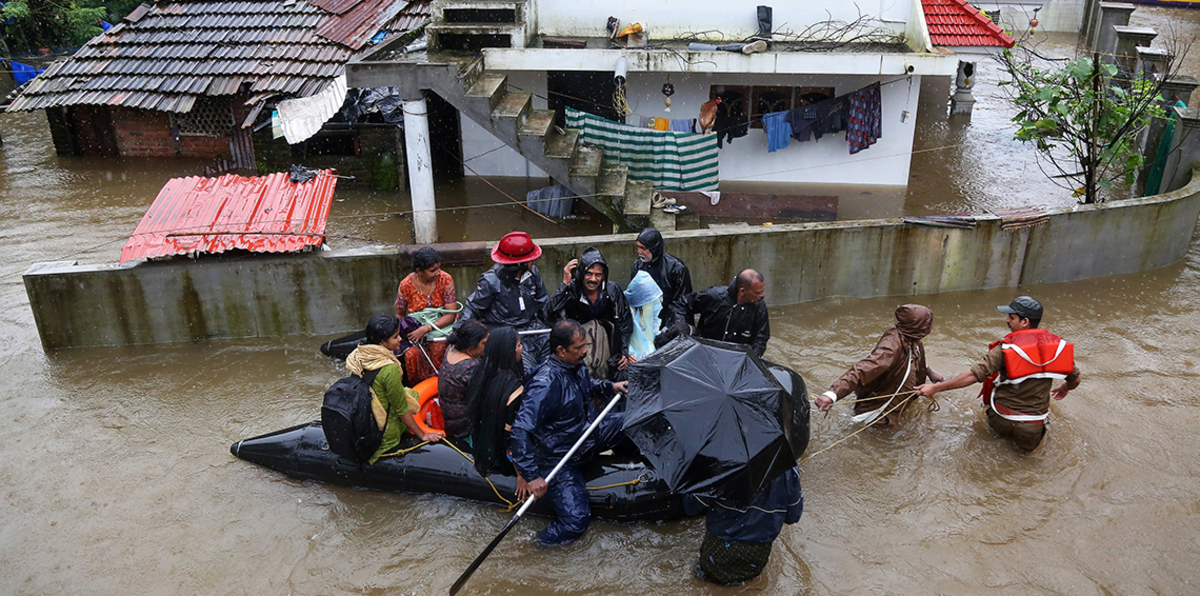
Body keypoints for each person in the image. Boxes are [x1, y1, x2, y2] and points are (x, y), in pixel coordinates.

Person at [509, 320, 629, 546]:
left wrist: (609, 387)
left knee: (630, 421)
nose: (585, 351)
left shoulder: (576, 365)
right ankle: (534, 546)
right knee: (576, 521)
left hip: (588, 434)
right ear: (561, 351)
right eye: (579, 348)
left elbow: (586, 385)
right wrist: (532, 475)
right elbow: (520, 430)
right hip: (561, 457)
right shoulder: (544, 384)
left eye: (585, 345)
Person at [916, 296, 1081, 452]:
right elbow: (1075, 380)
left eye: (1011, 317)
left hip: (1001, 418)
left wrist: (936, 388)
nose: (1007, 320)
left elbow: (973, 376)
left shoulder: (1005, 349)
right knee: (1023, 463)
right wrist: (1065, 388)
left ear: (1025, 322)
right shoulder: (1057, 349)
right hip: (1031, 426)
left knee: (992, 448)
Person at [814, 305, 945, 426]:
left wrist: (928, 372)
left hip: (899, 406)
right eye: (927, 325)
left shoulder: (911, 337)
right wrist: (832, 394)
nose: (930, 328)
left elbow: (913, 357)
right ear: (915, 325)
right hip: (881, 413)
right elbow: (863, 370)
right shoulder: (891, 347)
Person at [345, 315, 444, 464]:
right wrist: (423, 435)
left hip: (365, 420)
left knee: (410, 393)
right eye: (395, 337)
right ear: (382, 342)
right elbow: (402, 409)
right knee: (413, 398)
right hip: (384, 434)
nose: (400, 339)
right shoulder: (389, 368)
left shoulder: (358, 355)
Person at [683, 466, 803, 586]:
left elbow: (691, 507)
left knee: (702, 577)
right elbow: (793, 517)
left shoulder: (723, 465)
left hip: (717, 551)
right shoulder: (788, 470)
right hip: (757, 555)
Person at [462, 231, 550, 374]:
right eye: (531, 259)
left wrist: (561, 326)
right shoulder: (491, 281)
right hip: (506, 335)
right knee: (528, 371)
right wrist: (462, 334)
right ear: (520, 264)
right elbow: (473, 307)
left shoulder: (533, 273)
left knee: (556, 360)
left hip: (533, 330)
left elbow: (544, 305)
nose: (534, 262)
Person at [544, 246, 634, 380]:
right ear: (581, 273)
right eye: (589, 274)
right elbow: (548, 315)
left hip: (608, 348)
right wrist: (564, 284)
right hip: (580, 348)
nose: (593, 279)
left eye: (598, 275)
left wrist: (624, 352)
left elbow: (625, 323)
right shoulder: (572, 289)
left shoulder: (612, 290)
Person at [467, 326, 526, 480]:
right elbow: (511, 436)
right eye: (519, 345)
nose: (522, 348)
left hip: (482, 443)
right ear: (509, 352)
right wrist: (521, 475)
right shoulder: (515, 390)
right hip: (500, 455)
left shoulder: (482, 376)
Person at [394, 246, 459, 385]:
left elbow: (451, 314)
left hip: (442, 326)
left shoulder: (445, 279)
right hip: (415, 328)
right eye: (432, 270)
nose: (438, 272)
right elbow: (399, 315)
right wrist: (398, 336)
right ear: (419, 271)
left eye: (439, 268)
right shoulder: (405, 285)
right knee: (411, 354)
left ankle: (442, 384)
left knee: (439, 348)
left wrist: (426, 328)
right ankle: (419, 387)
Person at [679, 269, 770, 357]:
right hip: (705, 352)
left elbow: (761, 338)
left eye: (763, 291)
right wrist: (684, 328)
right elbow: (683, 303)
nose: (763, 295)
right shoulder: (714, 296)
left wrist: (751, 358)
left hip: (737, 357)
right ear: (743, 291)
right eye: (758, 293)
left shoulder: (759, 307)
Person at [437, 319, 490, 439]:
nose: (487, 346)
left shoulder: (451, 348)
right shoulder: (470, 367)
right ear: (471, 346)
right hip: (463, 425)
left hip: (449, 416)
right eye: (484, 343)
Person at [630, 227, 692, 328]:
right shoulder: (637, 266)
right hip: (647, 323)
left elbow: (682, 304)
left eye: (643, 248)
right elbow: (634, 298)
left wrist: (671, 329)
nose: (639, 252)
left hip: (670, 322)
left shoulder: (677, 269)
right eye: (638, 247)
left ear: (654, 249)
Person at [625, 270, 664, 359]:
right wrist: (628, 352)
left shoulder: (652, 305)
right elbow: (623, 333)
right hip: (633, 356)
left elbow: (654, 322)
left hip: (650, 351)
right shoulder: (626, 311)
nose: (650, 305)